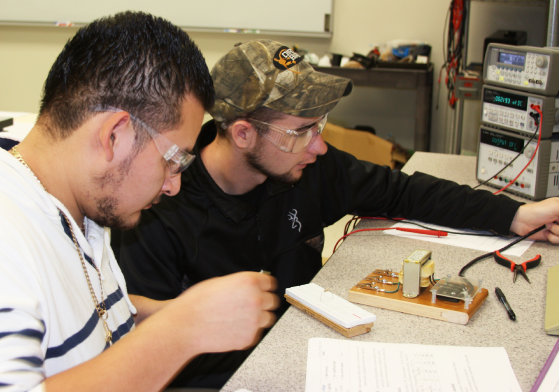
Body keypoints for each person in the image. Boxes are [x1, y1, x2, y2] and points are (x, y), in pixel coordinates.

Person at [0, 13, 279, 392]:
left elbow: (77, 310)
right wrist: (179, 332)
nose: (173, 187)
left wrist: (168, 314)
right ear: (114, 135)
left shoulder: (71, 199)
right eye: (173, 161)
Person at [115, 39, 559, 388]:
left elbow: (403, 191)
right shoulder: (157, 216)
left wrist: (516, 215)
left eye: (320, 125)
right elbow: (146, 364)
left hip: (321, 355)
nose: (320, 145)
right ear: (245, 133)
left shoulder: (305, 167)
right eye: (303, 130)